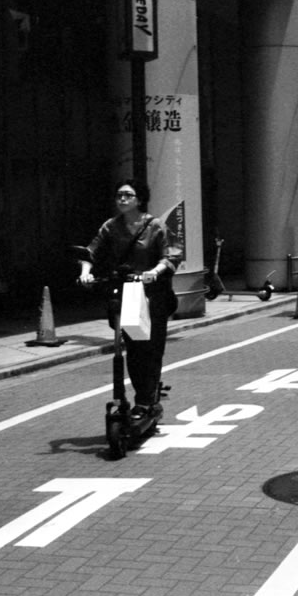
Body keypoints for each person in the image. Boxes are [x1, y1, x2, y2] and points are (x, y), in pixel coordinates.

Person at [77, 179, 183, 419]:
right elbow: (89, 251)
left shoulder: (155, 225)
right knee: (134, 348)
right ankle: (142, 397)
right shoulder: (110, 227)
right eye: (119, 195)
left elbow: (171, 256)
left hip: (152, 294)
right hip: (126, 292)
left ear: (139, 199)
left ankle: (147, 400)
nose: (122, 199)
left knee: (151, 348)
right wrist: (86, 272)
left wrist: (154, 272)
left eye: (127, 195)